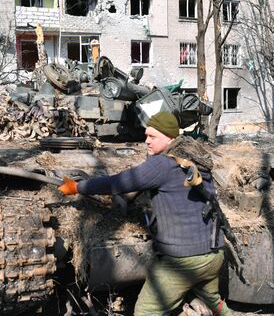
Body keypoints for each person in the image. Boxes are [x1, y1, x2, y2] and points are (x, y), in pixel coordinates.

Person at [58, 112, 232, 316]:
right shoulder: (194, 158)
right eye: (146, 135)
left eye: (152, 136)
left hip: (183, 261)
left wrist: (77, 187)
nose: (146, 141)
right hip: (214, 255)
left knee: (146, 311)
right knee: (213, 302)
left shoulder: (162, 164)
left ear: (169, 137)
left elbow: (118, 182)